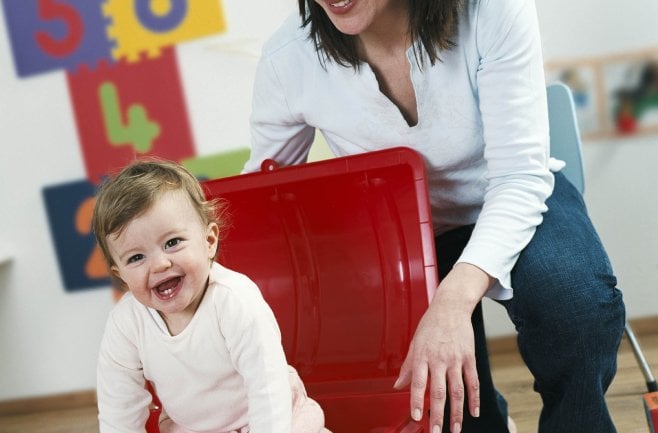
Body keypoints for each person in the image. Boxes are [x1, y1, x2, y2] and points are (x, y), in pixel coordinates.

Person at [244, 1, 626, 433]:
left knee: (574, 304)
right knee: (444, 403)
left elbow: (519, 175)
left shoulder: (491, 10)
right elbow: (264, 196)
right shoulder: (288, 56)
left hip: (509, 197)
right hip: (402, 232)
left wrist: (452, 300)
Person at [93, 159, 329, 433]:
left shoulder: (234, 300)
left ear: (209, 241)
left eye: (172, 242)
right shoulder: (125, 323)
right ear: (120, 274)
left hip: (272, 419)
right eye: (136, 257)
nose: (159, 264)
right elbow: (118, 407)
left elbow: (267, 385)